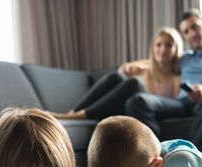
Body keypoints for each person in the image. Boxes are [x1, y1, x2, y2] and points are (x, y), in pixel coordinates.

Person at [124, 8, 202, 156]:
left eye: (195, 27)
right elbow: (156, 60)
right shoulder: (184, 58)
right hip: (182, 103)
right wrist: (132, 66)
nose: (191, 33)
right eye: (186, 32)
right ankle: (157, 158)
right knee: (137, 101)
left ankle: (192, 160)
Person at [51, 27, 183, 120]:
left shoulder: (177, 76)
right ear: (152, 48)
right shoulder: (146, 67)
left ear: (176, 49)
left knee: (135, 83)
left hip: (148, 111)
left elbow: (174, 104)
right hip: (121, 107)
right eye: (158, 45)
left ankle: (76, 116)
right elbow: (121, 71)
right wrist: (130, 68)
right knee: (116, 77)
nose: (162, 49)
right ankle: (72, 112)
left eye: (168, 45)